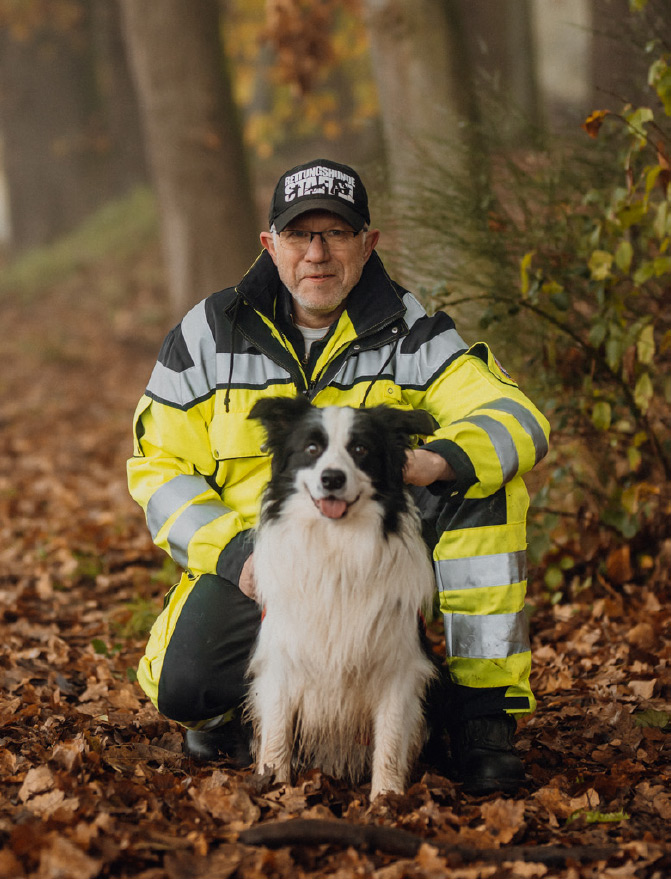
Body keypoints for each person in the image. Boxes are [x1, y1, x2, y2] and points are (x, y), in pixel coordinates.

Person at [128, 158, 550, 795]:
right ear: (271, 245)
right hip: (257, 556)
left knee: (487, 485)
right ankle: (235, 713)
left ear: (367, 244)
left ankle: (481, 718)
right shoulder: (207, 334)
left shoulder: (413, 333)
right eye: (300, 236)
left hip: (377, 555)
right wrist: (234, 552)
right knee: (184, 686)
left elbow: (517, 417)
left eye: (337, 234)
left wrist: (441, 460)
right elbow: (157, 467)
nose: (317, 254)